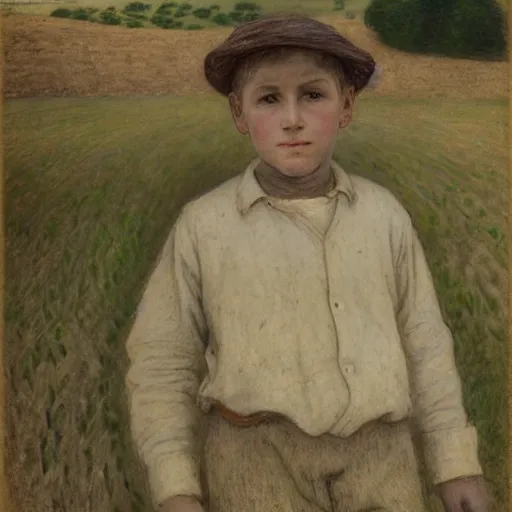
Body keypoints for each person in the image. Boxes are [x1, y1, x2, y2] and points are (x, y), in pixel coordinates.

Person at [125, 13, 490, 512]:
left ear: (347, 105)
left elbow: (425, 343)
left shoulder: (385, 216)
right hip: (255, 457)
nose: (292, 119)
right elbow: (162, 363)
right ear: (238, 112)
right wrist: (176, 489)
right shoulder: (203, 225)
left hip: (381, 458)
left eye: (313, 95)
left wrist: (455, 463)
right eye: (269, 98)